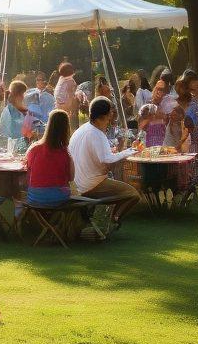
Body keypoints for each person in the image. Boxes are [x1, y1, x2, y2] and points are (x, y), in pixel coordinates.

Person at [69, 97, 139, 226]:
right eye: (109, 116)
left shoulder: (81, 130)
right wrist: (128, 152)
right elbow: (107, 159)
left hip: (76, 183)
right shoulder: (96, 133)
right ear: (104, 116)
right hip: (90, 184)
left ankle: (105, 217)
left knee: (120, 188)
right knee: (133, 194)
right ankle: (112, 220)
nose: (110, 120)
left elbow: (100, 156)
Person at [25, 109, 74, 206]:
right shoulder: (65, 153)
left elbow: (27, 169)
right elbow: (71, 177)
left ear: (48, 125)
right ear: (66, 128)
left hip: (35, 198)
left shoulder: (34, 148)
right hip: (59, 199)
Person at [0, 80, 29, 152]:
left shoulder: (15, 108)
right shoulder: (11, 110)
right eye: (24, 94)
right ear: (18, 95)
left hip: (16, 144)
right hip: (16, 145)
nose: (24, 97)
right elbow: (16, 130)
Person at [53, 62, 80, 128]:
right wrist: (73, 109)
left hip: (58, 105)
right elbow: (71, 95)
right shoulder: (70, 81)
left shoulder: (61, 79)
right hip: (66, 106)